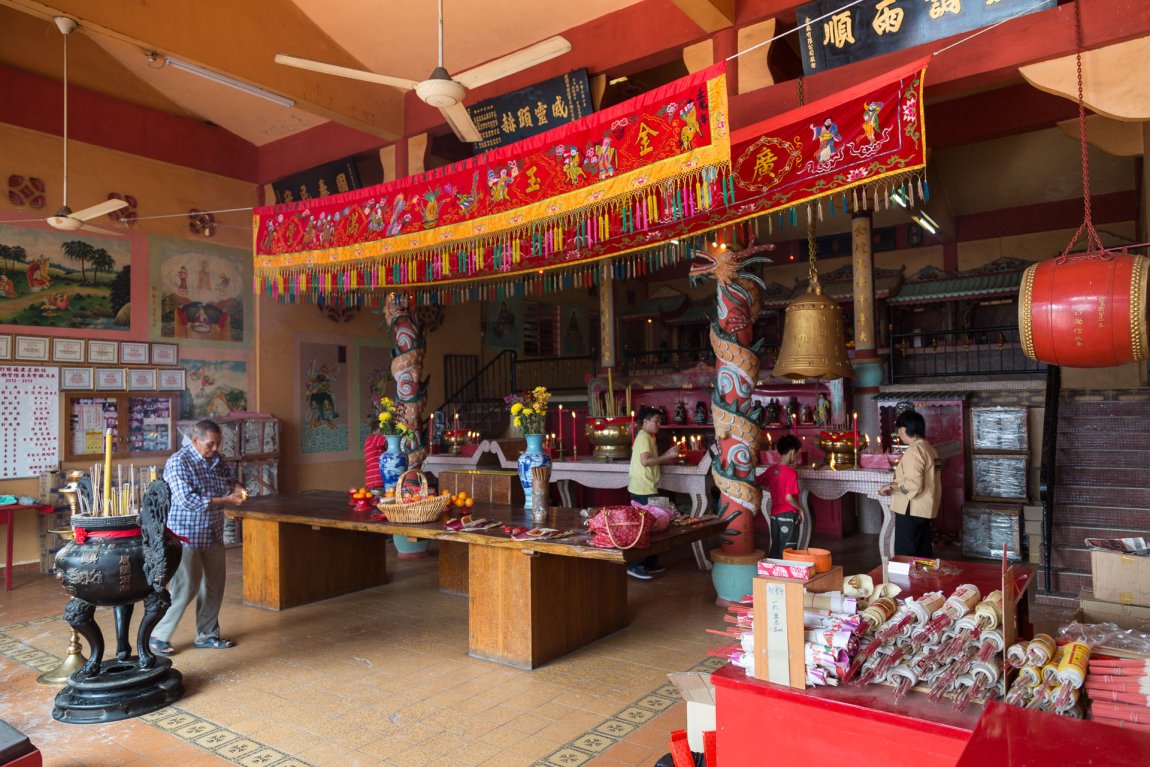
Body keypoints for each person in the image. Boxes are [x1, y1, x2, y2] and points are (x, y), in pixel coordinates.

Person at [149, 419, 246, 655]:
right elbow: (188, 501)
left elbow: (226, 475)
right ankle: (158, 636)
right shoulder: (178, 462)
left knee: (214, 585)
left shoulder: (216, 459)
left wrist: (236, 486)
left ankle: (207, 634)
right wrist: (227, 501)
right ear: (195, 440)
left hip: (212, 532)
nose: (215, 449)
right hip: (185, 535)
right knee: (186, 586)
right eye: (210, 444)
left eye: (218, 444)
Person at [626, 406, 680, 580]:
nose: (659, 425)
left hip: (647, 487)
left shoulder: (648, 437)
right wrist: (667, 456)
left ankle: (649, 562)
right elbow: (646, 461)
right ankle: (634, 565)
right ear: (645, 422)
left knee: (654, 525)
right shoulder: (643, 437)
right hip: (642, 488)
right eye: (656, 421)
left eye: (660, 421)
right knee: (645, 528)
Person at [878, 410, 942, 557]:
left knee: (905, 554)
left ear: (905, 429)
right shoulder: (930, 448)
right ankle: (923, 579)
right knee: (923, 552)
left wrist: (891, 487)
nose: (899, 433)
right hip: (925, 509)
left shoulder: (915, 450)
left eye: (899, 430)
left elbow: (913, 485)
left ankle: (906, 580)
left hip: (912, 509)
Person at [755, 435, 803, 559]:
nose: (797, 456)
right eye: (797, 453)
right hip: (788, 515)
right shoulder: (791, 472)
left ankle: (772, 573)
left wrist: (773, 490)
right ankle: (785, 576)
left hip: (775, 515)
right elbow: (789, 498)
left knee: (776, 545)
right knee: (788, 548)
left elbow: (757, 483)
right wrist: (801, 509)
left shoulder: (772, 470)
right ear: (792, 452)